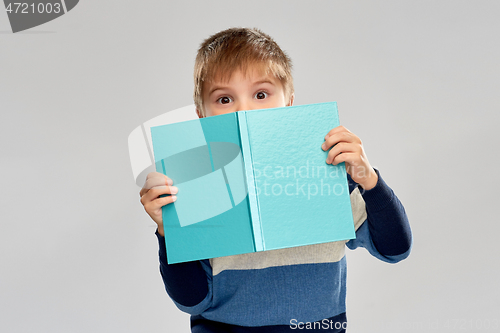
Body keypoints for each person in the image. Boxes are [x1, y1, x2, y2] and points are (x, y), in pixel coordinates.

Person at [139, 27, 412, 333]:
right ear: (202, 115)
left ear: (289, 102)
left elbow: (395, 249)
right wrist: (168, 231)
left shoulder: (327, 176)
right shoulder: (197, 190)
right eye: (225, 99)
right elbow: (192, 301)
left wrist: (369, 180)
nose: (245, 110)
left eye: (260, 94)